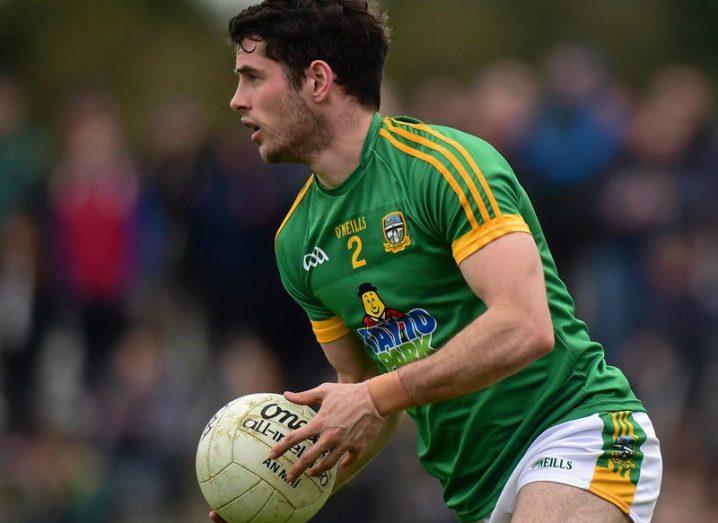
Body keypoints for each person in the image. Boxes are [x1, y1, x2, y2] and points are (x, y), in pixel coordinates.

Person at [211, 1, 662, 521]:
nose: (236, 100)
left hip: (578, 432)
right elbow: (361, 400)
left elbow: (525, 325)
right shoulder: (296, 242)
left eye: (252, 77)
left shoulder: (445, 167)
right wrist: (276, 492)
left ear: (317, 80)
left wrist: (377, 396)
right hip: (475, 490)